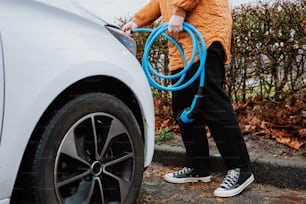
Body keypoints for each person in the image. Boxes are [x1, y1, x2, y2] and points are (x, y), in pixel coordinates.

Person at [122, 0, 254, 198]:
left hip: (204, 34)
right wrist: (136, 21)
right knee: (182, 108)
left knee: (213, 104)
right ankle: (198, 166)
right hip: (180, 45)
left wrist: (180, 10)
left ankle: (241, 169)